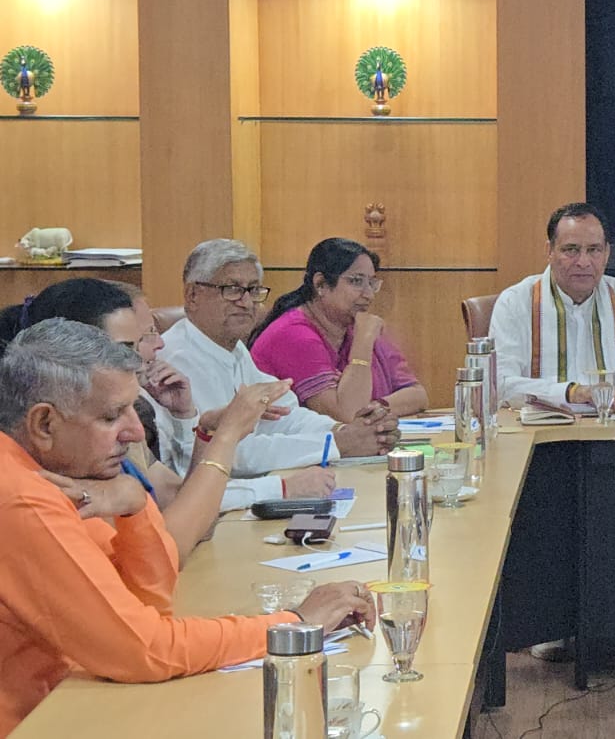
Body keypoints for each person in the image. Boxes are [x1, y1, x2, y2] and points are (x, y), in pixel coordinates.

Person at [0, 318, 373, 734]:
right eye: (112, 416)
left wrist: (136, 509)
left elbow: (148, 606)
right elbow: (143, 650)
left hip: (78, 705)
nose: (135, 432)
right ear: (44, 424)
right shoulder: (20, 497)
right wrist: (294, 623)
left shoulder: (53, 476)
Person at [0, 279, 318, 563]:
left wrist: (204, 431)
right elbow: (170, 549)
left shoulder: (124, 417)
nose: (153, 349)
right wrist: (228, 435)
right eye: (127, 347)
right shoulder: (71, 439)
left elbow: (194, 517)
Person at [161, 239, 391, 504]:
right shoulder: (179, 358)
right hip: (204, 505)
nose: (246, 302)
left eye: (253, 290)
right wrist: (338, 444)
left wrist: (345, 431)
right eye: (232, 289)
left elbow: (284, 415)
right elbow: (230, 453)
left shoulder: (232, 348)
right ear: (193, 295)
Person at [491, 203, 615, 409]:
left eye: (594, 250)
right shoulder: (515, 303)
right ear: (549, 251)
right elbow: (499, 384)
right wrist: (572, 393)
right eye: (571, 250)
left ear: (607, 253)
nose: (583, 262)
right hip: (541, 427)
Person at [249, 238, 428, 422]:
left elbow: (417, 395)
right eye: (356, 281)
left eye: (372, 283)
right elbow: (347, 415)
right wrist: (363, 344)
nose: (369, 294)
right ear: (321, 284)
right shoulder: (294, 335)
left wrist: (376, 407)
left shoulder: (357, 327)